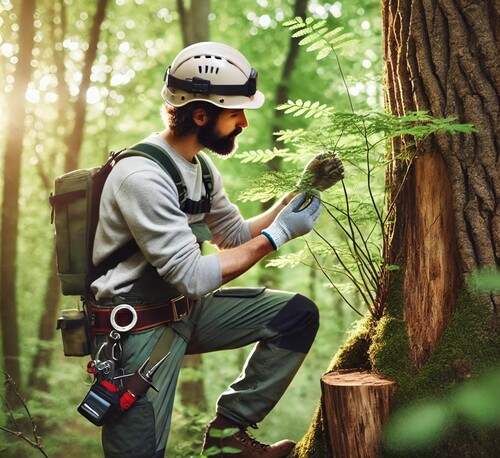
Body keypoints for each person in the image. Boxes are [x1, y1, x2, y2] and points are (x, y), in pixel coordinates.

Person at [88, 41, 322, 458]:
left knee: (295, 316)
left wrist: (294, 198)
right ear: (201, 115)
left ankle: (226, 438)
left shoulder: (201, 168)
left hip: (183, 311)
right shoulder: (140, 176)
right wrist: (280, 236)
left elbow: (232, 235)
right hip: (137, 329)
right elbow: (194, 276)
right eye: (236, 112)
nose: (245, 123)